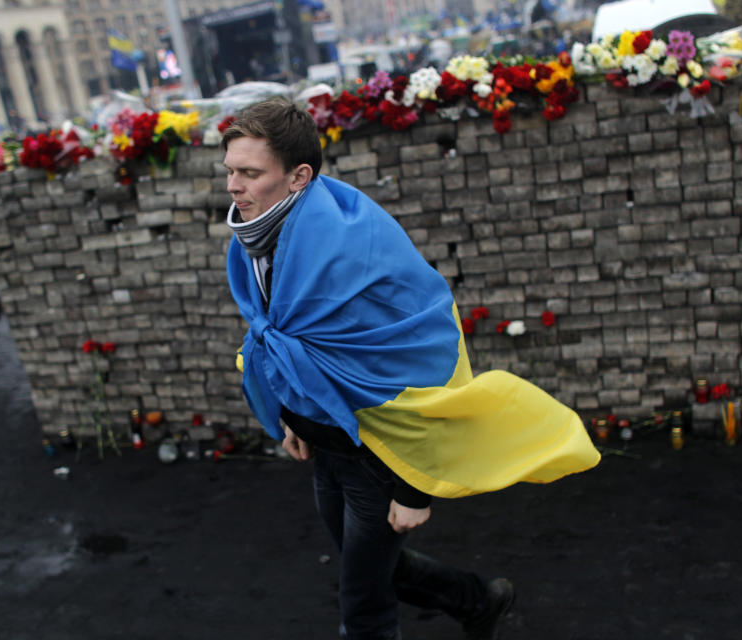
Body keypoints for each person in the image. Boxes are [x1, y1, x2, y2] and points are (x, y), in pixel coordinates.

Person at [222, 97, 600, 640]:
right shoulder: (258, 237)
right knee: (377, 568)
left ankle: (465, 602)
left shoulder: (346, 246)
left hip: (376, 459)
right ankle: (477, 601)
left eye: (250, 173)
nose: (234, 186)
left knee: (364, 605)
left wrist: (413, 490)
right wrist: (289, 417)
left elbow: (414, 355)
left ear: (298, 176)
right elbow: (286, 344)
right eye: (231, 171)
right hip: (326, 445)